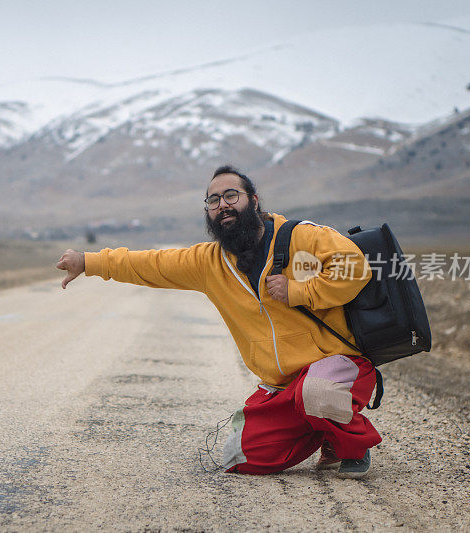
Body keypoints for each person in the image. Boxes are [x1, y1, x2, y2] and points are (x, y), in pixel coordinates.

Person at [56, 165, 381, 478]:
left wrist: (298, 291)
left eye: (231, 195)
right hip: (285, 385)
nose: (222, 205)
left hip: (338, 364)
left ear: (253, 201)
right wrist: (89, 261)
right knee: (240, 457)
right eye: (213, 200)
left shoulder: (300, 236)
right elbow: (150, 264)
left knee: (317, 392)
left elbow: (354, 266)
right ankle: (324, 429)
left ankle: (352, 444)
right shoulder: (209, 263)